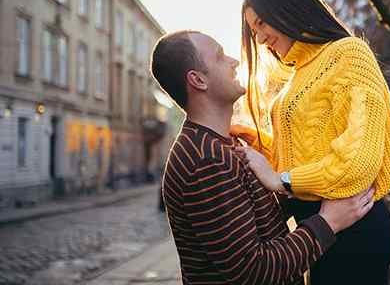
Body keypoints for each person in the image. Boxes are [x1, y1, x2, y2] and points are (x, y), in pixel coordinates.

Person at [150, 30, 376, 285]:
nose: (234, 61)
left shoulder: (221, 144)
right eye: (220, 56)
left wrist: (292, 184)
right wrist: (329, 221)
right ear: (198, 80)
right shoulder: (205, 158)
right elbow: (253, 270)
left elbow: (260, 222)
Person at [231, 0, 390, 285]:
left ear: (284, 7)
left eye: (261, 25)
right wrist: (253, 141)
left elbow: (358, 163)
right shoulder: (298, 73)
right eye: (254, 31)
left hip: (356, 230)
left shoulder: (348, 54)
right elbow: (304, 149)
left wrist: (280, 181)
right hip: (322, 228)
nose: (260, 39)